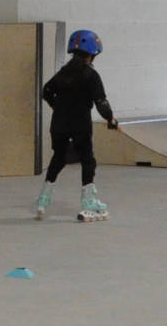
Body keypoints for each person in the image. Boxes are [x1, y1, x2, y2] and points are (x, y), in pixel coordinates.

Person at [36, 30, 119, 221]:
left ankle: (43, 200)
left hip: (58, 123)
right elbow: (101, 102)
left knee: (58, 158)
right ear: (93, 52)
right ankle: (88, 202)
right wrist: (110, 119)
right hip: (80, 123)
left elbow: (47, 90)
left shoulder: (64, 72)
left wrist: (58, 107)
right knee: (87, 159)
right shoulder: (91, 75)